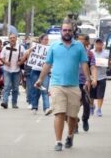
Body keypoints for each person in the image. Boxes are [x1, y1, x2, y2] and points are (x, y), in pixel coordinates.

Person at [35, 22, 91, 151]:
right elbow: (47, 64)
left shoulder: (79, 47)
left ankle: (70, 136)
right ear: (61, 31)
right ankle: (58, 141)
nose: (67, 32)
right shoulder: (54, 46)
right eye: (64, 30)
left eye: (69, 30)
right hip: (56, 85)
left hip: (73, 86)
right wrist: (40, 79)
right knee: (59, 113)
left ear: (73, 32)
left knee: (72, 116)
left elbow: (84, 64)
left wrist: (88, 79)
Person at [22, 34, 52, 115]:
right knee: (35, 90)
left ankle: (46, 108)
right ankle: (34, 106)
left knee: (44, 90)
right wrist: (31, 49)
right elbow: (26, 53)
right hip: (35, 71)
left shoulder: (49, 49)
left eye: (47, 39)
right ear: (41, 40)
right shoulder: (35, 47)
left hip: (45, 72)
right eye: (45, 39)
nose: (46, 41)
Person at [77, 34, 97, 132]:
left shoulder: (89, 54)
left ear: (87, 42)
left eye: (82, 39)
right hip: (72, 82)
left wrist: (94, 79)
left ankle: (85, 119)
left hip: (85, 82)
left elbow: (93, 67)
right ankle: (74, 124)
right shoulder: (73, 52)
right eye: (78, 39)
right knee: (73, 104)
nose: (80, 41)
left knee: (86, 103)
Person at [0, 33, 25, 109]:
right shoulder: (5, 47)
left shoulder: (21, 47)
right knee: (7, 86)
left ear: (16, 38)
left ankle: (14, 103)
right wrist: (5, 62)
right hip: (7, 70)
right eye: (11, 38)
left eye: (13, 37)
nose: (12, 39)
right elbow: (1, 57)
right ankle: (5, 102)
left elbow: (25, 56)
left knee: (15, 88)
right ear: (9, 39)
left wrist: (21, 62)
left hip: (16, 70)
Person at [91, 38, 109, 117]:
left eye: (100, 43)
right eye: (97, 43)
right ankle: (91, 107)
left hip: (102, 76)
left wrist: (110, 63)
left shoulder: (106, 53)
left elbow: (110, 64)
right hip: (92, 77)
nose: (98, 45)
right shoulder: (91, 52)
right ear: (94, 44)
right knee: (91, 94)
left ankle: (99, 109)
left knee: (100, 94)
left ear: (102, 44)